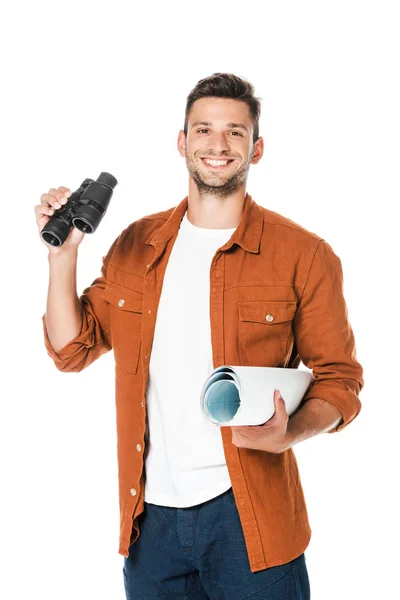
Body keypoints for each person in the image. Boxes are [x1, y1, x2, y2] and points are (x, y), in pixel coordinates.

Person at [36, 72, 364, 600]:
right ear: (182, 142)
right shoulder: (136, 244)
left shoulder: (304, 254)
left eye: (235, 132)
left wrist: (290, 431)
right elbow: (72, 350)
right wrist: (62, 258)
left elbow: (340, 380)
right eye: (204, 129)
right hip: (151, 523)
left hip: (249, 514)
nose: (218, 144)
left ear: (256, 150)